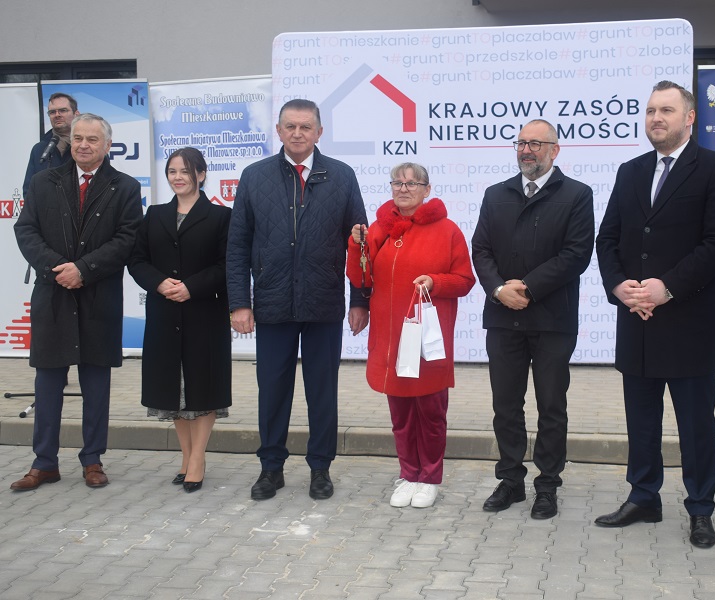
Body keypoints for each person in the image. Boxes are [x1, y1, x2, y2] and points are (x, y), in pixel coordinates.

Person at [594, 81, 715, 548]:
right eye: (651, 110)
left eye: (667, 110)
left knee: (695, 426)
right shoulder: (631, 170)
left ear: (689, 118)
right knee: (641, 422)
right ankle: (644, 497)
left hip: (687, 324)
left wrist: (668, 288)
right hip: (636, 320)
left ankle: (700, 508)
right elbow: (608, 238)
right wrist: (619, 286)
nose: (656, 118)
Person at [227, 99, 369, 501]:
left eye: (306, 127)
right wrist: (239, 302)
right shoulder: (254, 176)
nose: (297, 133)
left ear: (319, 132)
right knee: (272, 390)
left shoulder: (341, 176)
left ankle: (320, 468)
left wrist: (360, 299)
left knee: (322, 390)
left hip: (323, 301)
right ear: (278, 130)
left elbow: (360, 242)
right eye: (290, 126)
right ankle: (271, 468)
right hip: (272, 302)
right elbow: (237, 245)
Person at [10, 113, 142, 491]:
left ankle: (93, 460)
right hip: (53, 296)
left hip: (98, 297)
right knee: (48, 384)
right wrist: (58, 269)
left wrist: (83, 269)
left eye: (92, 139)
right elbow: (26, 230)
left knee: (96, 386)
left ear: (107, 145)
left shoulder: (125, 187)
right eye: (78, 138)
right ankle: (44, 463)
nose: (83, 145)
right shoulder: (43, 181)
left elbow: (127, 239)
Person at [471, 119, 594, 520]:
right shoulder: (496, 194)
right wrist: (497, 289)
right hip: (502, 316)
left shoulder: (577, 194)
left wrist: (526, 287)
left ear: (554, 150)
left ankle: (547, 485)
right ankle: (510, 481)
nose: (527, 150)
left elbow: (576, 254)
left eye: (536, 144)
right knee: (505, 406)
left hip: (552, 319)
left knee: (551, 406)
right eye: (521, 143)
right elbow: (480, 250)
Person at [347, 163, 475, 509]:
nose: (403, 189)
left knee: (430, 413)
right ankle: (408, 474)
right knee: (401, 416)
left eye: (412, 183)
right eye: (398, 183)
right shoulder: (378, 229)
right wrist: (355, 246)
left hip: (425, 339)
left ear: (427, 189)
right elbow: (360, 278)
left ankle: (429, 477)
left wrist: (435, 281)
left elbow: (465, 280)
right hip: (390, 338)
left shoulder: (447, 230)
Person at [129, 147, 232, 493]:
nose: (178, 177)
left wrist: (192, 287)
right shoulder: (155, 214)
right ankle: (186, 457)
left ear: (201, 174)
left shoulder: (221, 216)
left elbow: (227, 265)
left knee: (204, 387)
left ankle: (198, 459)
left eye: (185, 171)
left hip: (204, 313)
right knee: (174, 389)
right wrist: (159, 283)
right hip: (164, 313)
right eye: (172, 171)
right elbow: (137, 259)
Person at [23, 92, 79, 195]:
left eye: (63, 110)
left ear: (76, 114)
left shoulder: (89, 146)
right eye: (52, 112)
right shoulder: (39, 149)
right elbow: (29, 190)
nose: (57, 115)